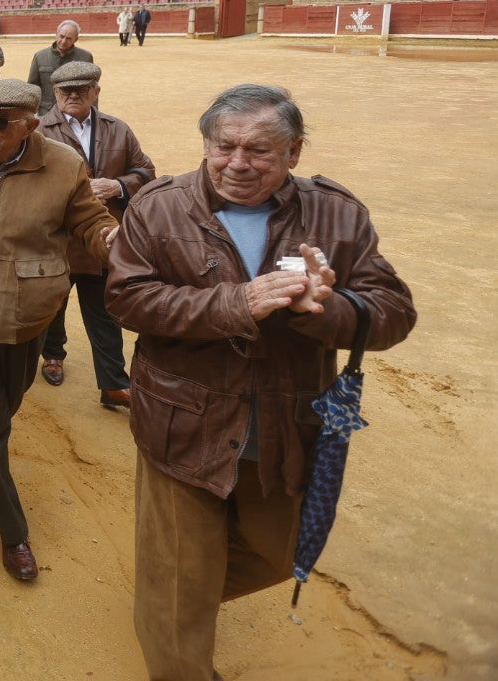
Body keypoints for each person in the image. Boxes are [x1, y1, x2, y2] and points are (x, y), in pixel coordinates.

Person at [105, 84, 415, 681]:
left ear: (294, 152)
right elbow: (127, 298)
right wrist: (235, 303)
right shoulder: (159, 207)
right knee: (179, 590)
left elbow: (393, 310)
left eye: (260, 151)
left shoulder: (337, 213)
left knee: (283, 554)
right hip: (183, 426)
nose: (238, 164)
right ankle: (176, 626)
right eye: (225, 147)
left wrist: (329, 310)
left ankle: (171, 600)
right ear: (205, 144)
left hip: (285, 424)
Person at [0, 78, 117, 581]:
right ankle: (14, 535)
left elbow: (89, 223)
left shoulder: (64, 164)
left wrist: (113, 240)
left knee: (4, 406)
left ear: (30, 125)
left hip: (26, 316)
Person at [35, 62, 155, 402]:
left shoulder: (118, 129)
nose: (73, 95)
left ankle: (113, 382)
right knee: (53, 304)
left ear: (96, 92)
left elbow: (146, 170)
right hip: (59, 238)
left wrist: (117, 185)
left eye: (81, 90)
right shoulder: (40, 130)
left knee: (105, 309)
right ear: (54, 94)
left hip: (104, 239)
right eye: (65, 91)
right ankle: (53, 356)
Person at [26, 21, 94, 113]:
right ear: (56, 34)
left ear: (76, 39)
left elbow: (91, 88)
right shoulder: (40, 56)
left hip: (74, 112)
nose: (63, 41)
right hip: (46, 112)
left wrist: (94, 113)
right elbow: (32, 87)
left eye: (69, 38)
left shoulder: (85, 57)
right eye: (61, 36)